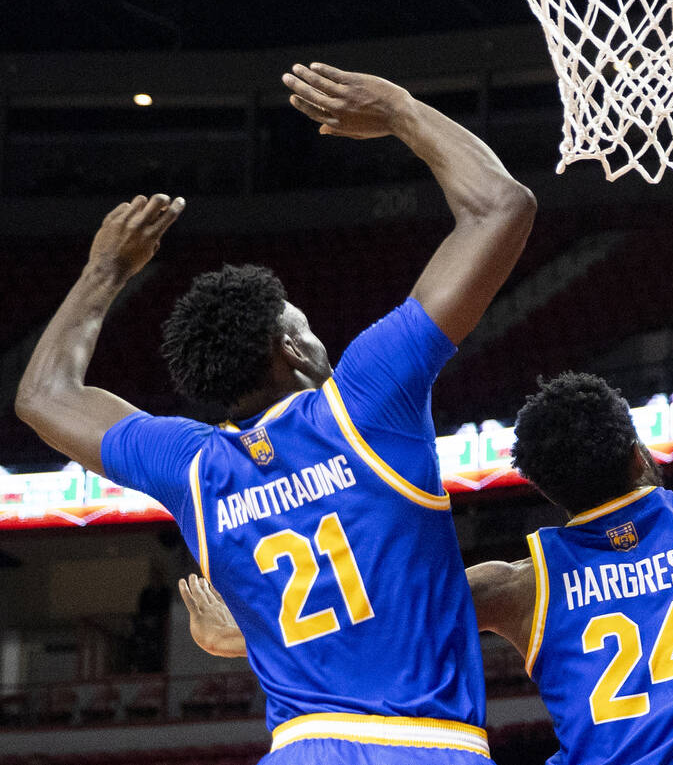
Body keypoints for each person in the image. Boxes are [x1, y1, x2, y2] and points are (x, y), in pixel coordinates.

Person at [184, 166, 673, 765]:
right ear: (639, 453)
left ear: (548, 494)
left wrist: (236, 633)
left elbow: (369, 620)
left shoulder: (523, 585)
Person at [16, 63, 536, 764]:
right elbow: (501, 206)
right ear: (291, 347)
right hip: (421, 744)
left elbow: (42, 396)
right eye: (307, 325)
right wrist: (400, 108)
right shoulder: (366, 399)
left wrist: (104, 271)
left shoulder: (193, 466)